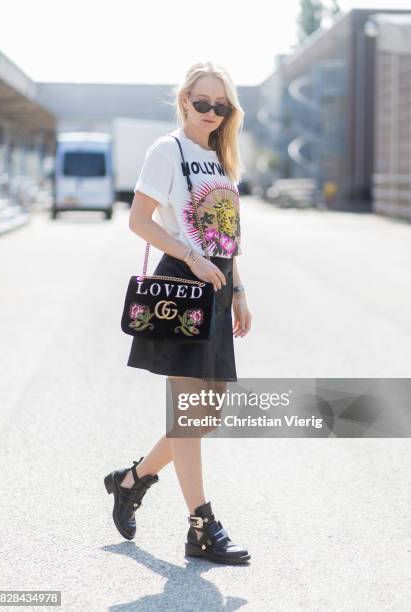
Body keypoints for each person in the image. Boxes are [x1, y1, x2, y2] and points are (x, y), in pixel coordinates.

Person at [104, 61, 253, 565]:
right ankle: (201, 526)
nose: (212, 112)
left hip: (218, 287)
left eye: (221, 105)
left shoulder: (220, 156)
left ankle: (132, 480)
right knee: (189, 415)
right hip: (182, 288)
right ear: (185, 100)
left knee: (207, 412)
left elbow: (225, 234)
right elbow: (139, 221)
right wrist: (192, 259)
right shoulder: (167, 151)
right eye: (203, 102)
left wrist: (238, 290)